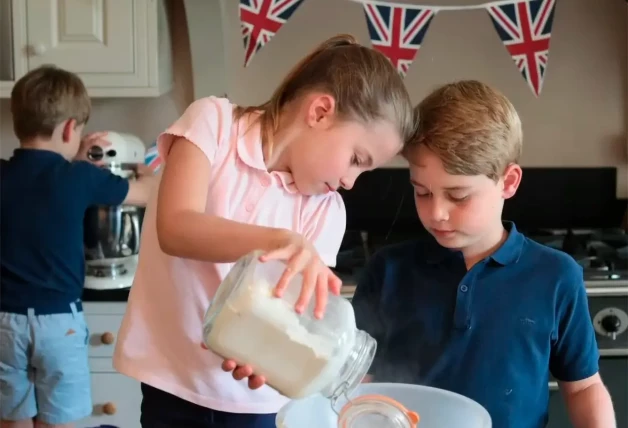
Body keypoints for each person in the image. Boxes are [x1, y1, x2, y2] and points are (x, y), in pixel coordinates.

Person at [112, 33, 415, 427]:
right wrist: (278, 240)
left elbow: (299, 317)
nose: (351, 181)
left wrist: (269, 357)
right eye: (356, 159)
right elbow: (175, 229)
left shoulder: (326, 211)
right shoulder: (214, 125)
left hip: (252, 407)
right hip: (170, 383)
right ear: (321, 111)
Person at [351, 81, 616, 428]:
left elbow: (583, 387)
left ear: (508, 182)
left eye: (458, 196)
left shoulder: (555, 276)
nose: (437, 213)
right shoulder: (388, 270)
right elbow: (354, 381)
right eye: (422, 192)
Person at [0, 65, 153, 428]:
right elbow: (148, 195)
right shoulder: (80, 177)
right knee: (60, 421)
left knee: (11, 419)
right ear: (71, 128)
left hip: (3, 320)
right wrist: (147, 172)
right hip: (58, 323)